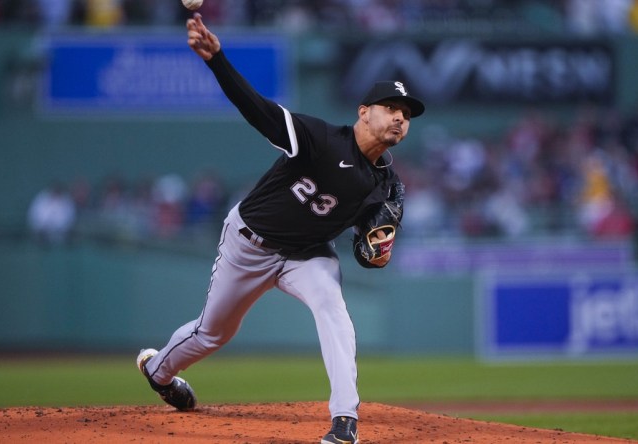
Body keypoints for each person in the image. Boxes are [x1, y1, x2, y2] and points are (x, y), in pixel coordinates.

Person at [135, 13, 424, 444]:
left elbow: (367, 246)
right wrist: (217, 59)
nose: (400, 118)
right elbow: (257, 109)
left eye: (406, 113)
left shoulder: (384, 185)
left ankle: (345, 422)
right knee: (213, 333)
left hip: (306, 254)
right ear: (364, 112)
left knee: (334, 309)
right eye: (391, 108)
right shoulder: (321, 138)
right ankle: (159, 373)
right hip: (249, 243)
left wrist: (374, 249)